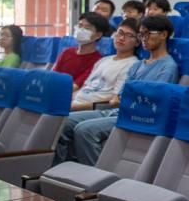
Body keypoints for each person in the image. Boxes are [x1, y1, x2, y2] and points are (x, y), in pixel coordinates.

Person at [56, 15, 180, 166]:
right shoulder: (138, 65)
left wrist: (127, 98)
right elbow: (119, 97)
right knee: (64, 122)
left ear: (164, 34)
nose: (144, 38)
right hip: (117, 110)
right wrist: (127, 97)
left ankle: (96, 175)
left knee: (85, 130)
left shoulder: (167, 66)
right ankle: (62, 168)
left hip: (135, 115)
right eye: (141, 34)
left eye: (148, 34)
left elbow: (153, 101)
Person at [70, 18, 140, 111]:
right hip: (75, 104)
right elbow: (85, 88)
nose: (121, 38)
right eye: (120, 33)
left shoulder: (132, 65)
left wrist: (73, 107)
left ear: (137, 42)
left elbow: (114, 100)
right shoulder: (103, 60)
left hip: (94, 110)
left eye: (129, 35)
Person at [54, 12, 111, 88]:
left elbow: (75, 86)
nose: (80, 30)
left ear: (98, 35)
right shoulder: (66, 52)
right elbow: (53, 77)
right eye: (80, 26)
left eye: (87, 28)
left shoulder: (98, 62)